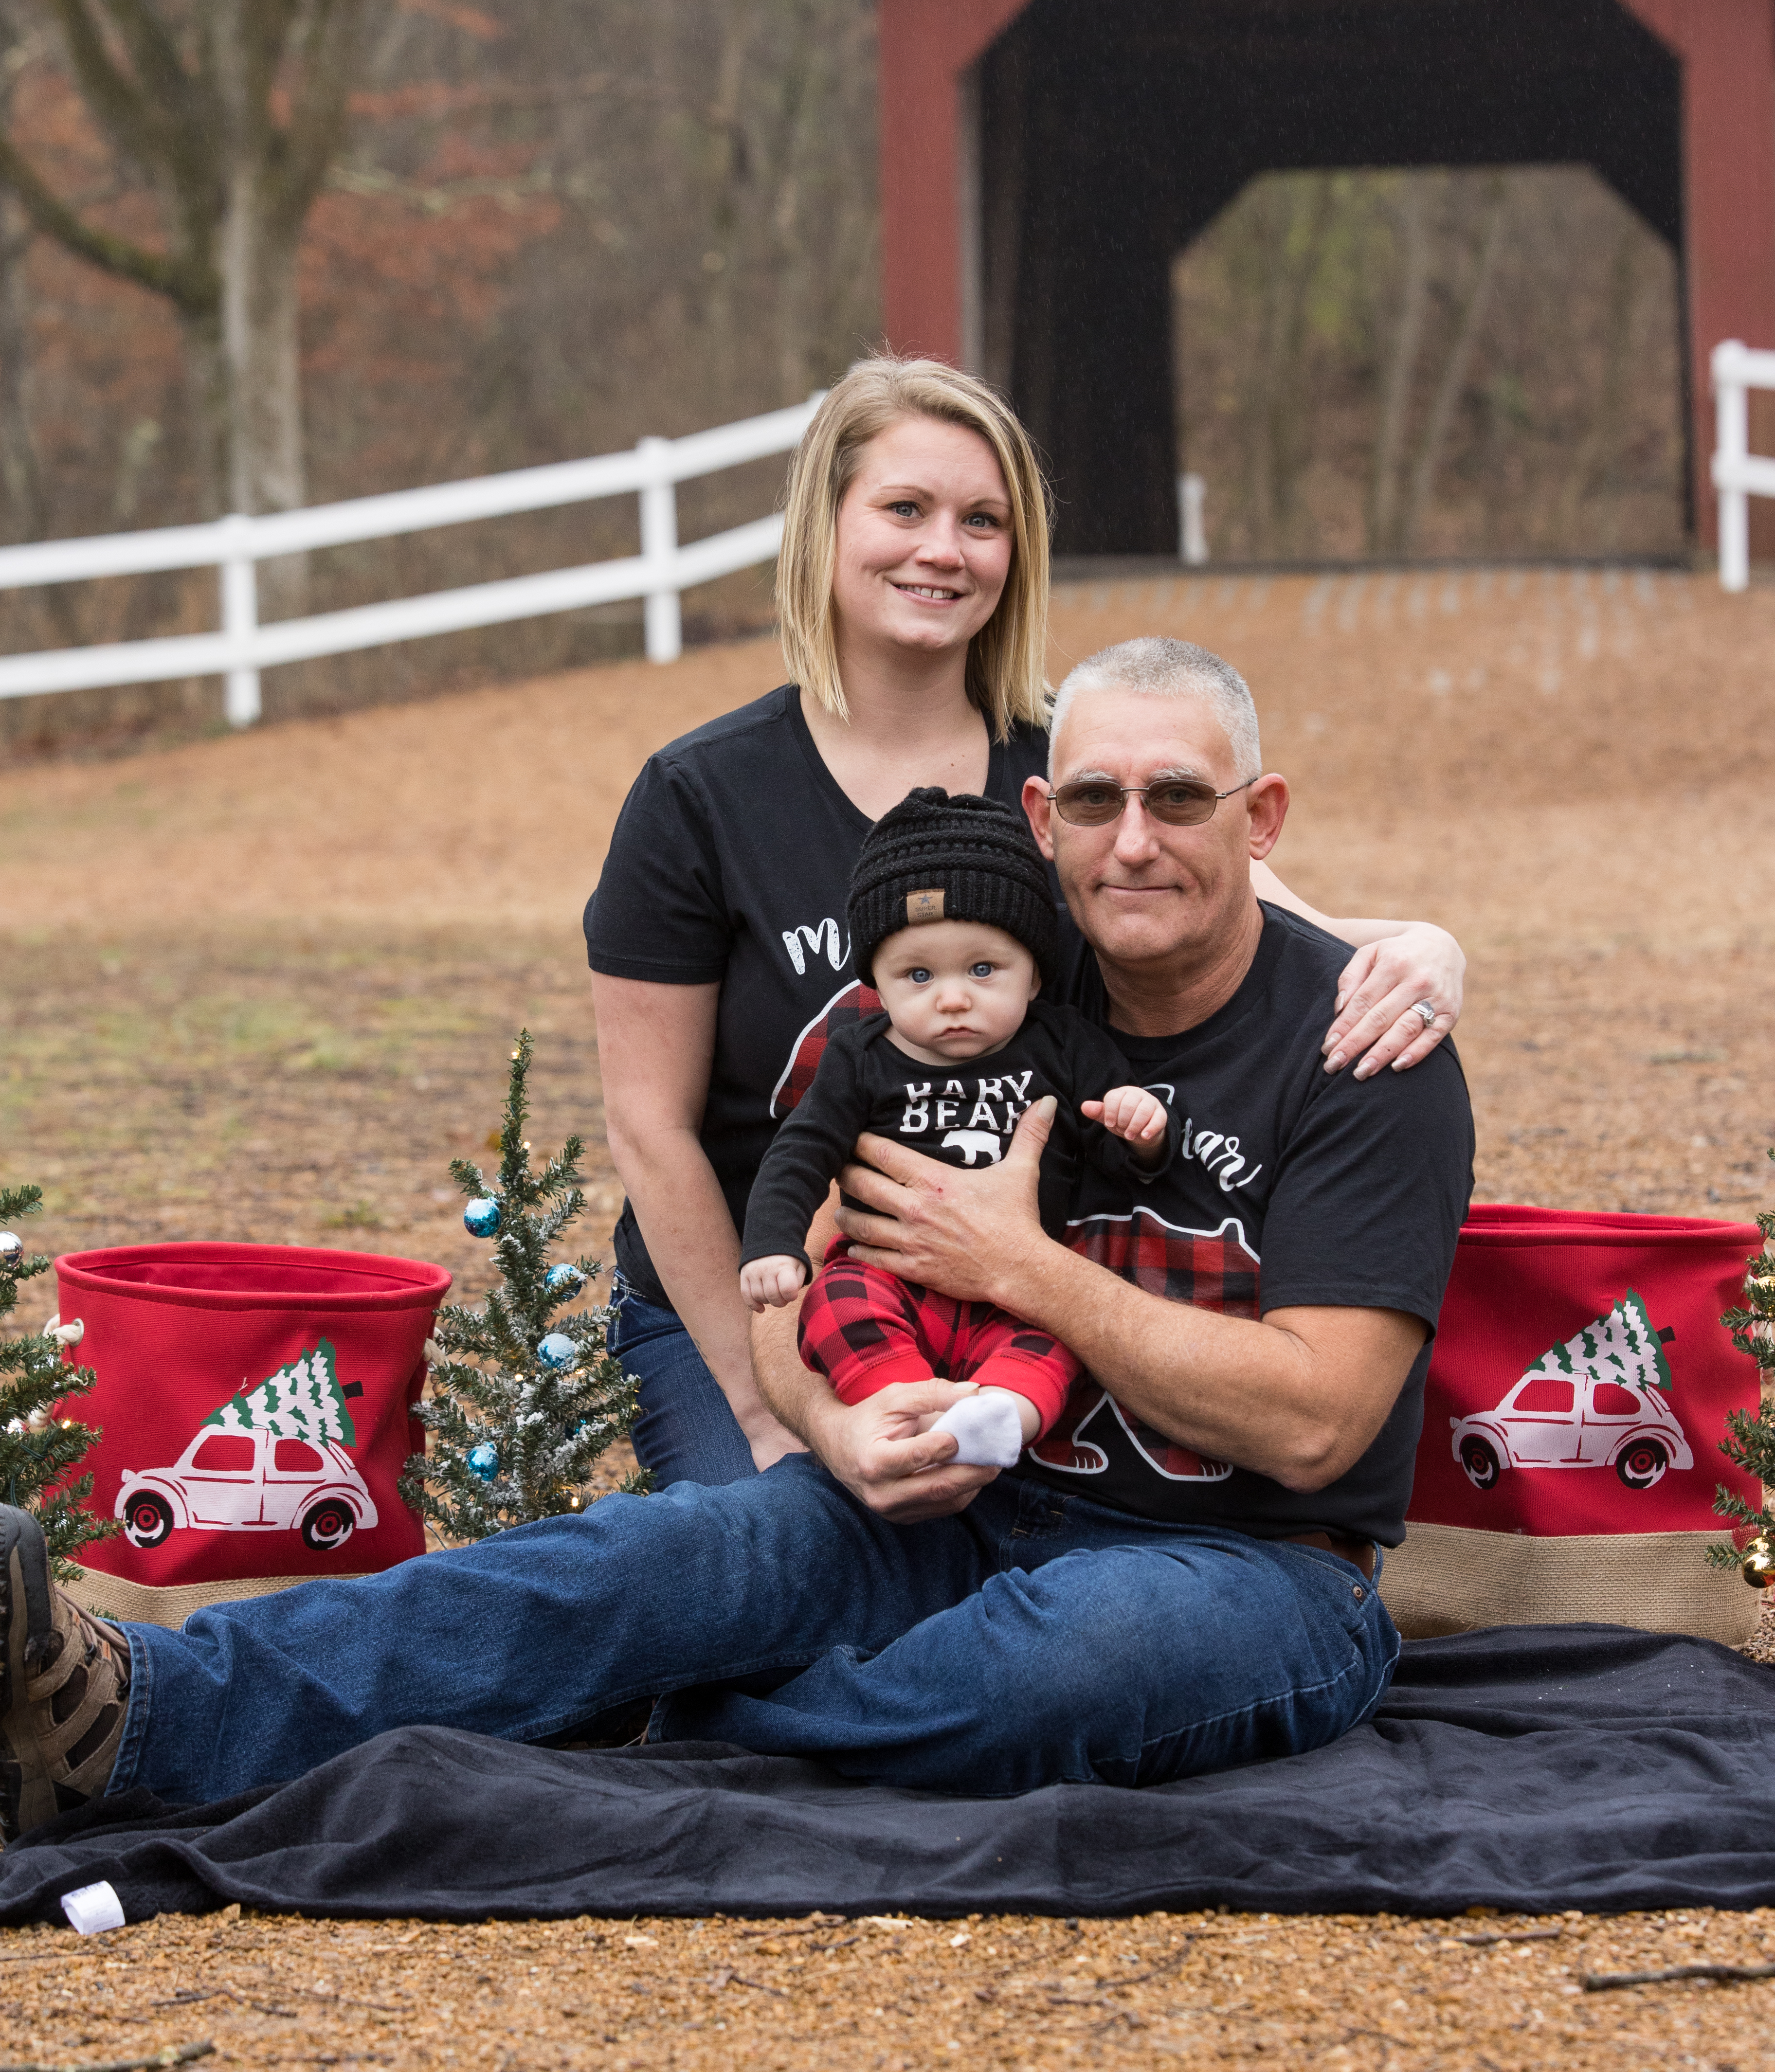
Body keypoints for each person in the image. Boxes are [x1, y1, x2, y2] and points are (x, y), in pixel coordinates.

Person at [0, 636, 1473, 1833]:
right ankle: (128, 1717)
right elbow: (793, 1269)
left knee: (1048, 1677)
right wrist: (829, 1430)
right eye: (1093, 801)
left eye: (1180, 800)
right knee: (633, 1567)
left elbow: (1318, 1425)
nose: (1132, 841)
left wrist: (1023, 1270)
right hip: (939, 1504)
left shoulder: (1358, 1048)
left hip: (1246, 1569)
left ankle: (651, 1708)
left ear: (1261, 818)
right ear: (1043, 820)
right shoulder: (974, 993)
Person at [586, 355, 1466, 1489]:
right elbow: (649, 1133)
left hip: (1005, 1290)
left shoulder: (1074, 778)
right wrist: (770, 1417)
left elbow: (1291, 924)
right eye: (905, 508)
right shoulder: (699, 797)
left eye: (983, 520)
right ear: (827, 525)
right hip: (752, 1302)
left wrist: (1433, 949)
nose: (943, 550)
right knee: (780, 1553)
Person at [740, 786, 1177, 1469]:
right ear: (878, 988)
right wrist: (772, 1244)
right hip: (890, 1280)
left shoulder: (1064, 1047)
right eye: (918, 974)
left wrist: (1141, 1131)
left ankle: (999, 1416)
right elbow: (800, 1152)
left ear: (1034, 974)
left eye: (983, 969)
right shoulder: (861, 1056)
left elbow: (1110, 1154)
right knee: (833, 1301)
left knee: (1060, 1343)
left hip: (1025, 1291)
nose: (952, 998)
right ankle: (906, 1406)